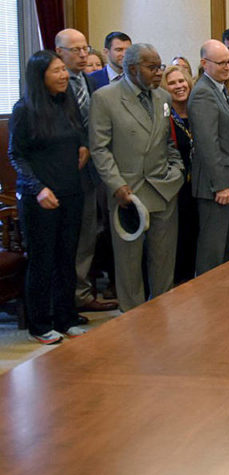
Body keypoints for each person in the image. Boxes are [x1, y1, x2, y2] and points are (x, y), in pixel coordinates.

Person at [90, 44, 184, 312]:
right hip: (128, 194)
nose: (158, 73)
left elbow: (168, 143)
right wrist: (117, 185)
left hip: (164, 188)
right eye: (152, 68)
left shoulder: (163, 98)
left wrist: (177, 172)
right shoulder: (105, 98)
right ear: (132, 69)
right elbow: (99, 148)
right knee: (129, 266)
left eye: (160, 67)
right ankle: (132, 321)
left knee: (163, 262)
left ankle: (161, 316)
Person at [8, 51, 89, 344]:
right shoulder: (24, 110)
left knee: (67, 258)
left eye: (64, 70)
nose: (64, 75)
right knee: (43, 261)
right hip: (39, 196)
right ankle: (40, 324)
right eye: (57, 71)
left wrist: (83, 146)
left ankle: (65, 317)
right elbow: (16, 156)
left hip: (71, 191)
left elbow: (78, 134)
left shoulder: (67, 103)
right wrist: (38, 188)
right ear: (40, 76)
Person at [56, 28, 119, 313]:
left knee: (90, 235)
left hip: (93, 171)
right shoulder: (52, 85)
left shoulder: (92, 82)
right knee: (68, 238)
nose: (83, 55)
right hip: (62, 173)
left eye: (85, 48)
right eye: (75, 50)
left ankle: (81, 293)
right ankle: (67, 297)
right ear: (59, 52)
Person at [190, 40, 229, 275]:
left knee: (224, 249)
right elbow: (208, 144)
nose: (227, 67)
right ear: (204, 63)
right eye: (221, 63)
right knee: (212, 251)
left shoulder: (219, 88)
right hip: (215, 186)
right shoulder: (203, 93)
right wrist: (221, 185)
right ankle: (206, 302)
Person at [160, 65, 199, 284]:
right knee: (177, 236)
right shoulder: (164, 115)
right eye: (172, 83)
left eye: (182, 81)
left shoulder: (196, 111)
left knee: (194, 232)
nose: (179, 86)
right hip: (174, 184)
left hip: (197, 184)